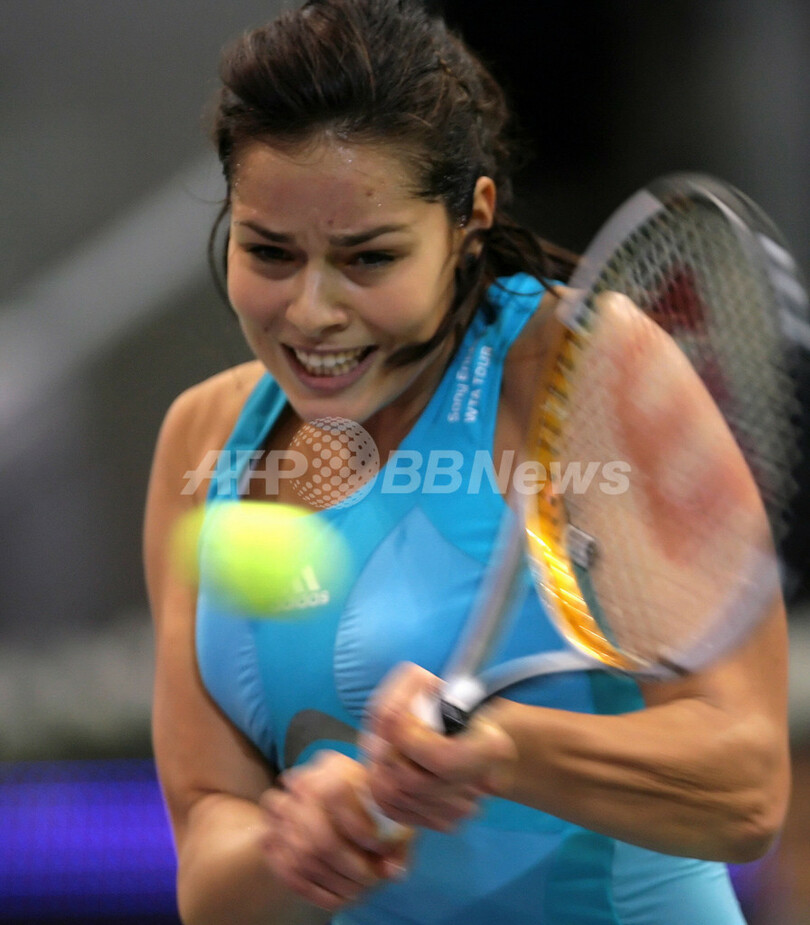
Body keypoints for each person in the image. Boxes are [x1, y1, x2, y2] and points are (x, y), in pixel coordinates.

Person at [143, 1, 791, 923]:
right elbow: (211, 870)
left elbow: (748, 786)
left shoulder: (584, 370)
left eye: (369, 258)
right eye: (270, 252)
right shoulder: (201, 438)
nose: (312, 311)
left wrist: (510, 750)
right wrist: (297, 845)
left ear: (469, 221)